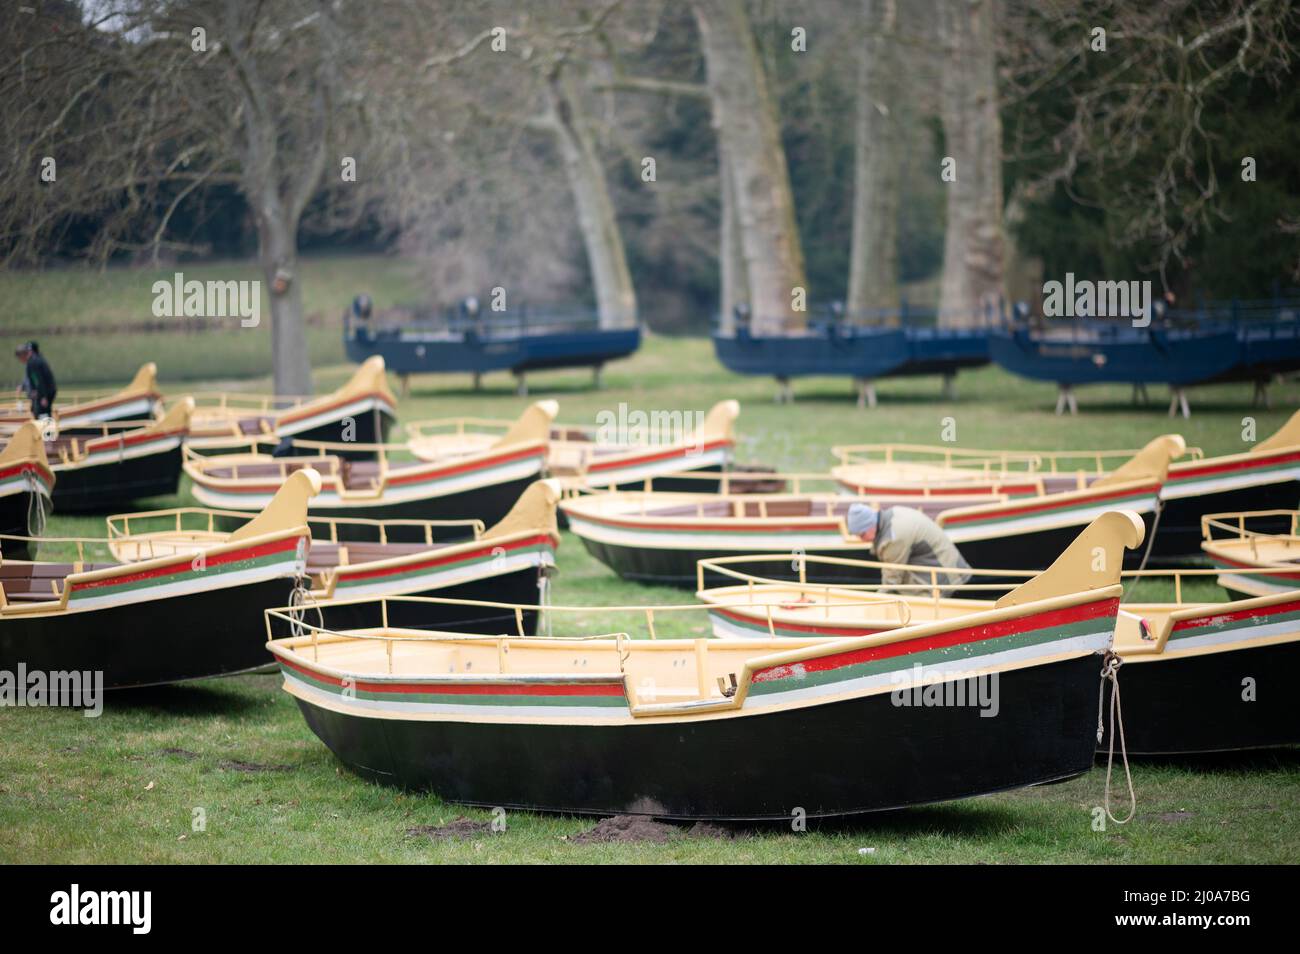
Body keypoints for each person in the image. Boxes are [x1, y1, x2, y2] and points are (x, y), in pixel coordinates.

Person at [847, 503, 972, 597]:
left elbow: (892, 579)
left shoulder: (893, 538)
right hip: (949, 565)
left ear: (871, 524)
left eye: (862, 534)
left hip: (946, 576)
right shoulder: (892, 514)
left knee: (902, 594)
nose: (861, 539)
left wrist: (876, 601)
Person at [15, 341, 56, 417]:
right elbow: (35, 379)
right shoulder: (35, 360)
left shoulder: (33, 363)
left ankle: (46, 428)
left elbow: (38, 380)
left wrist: (43, 396)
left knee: (42, 413)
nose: (20, 361)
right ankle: (45, 427)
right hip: (46, 391)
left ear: (23, 355)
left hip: (45, 392)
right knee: (37, 411)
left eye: (19, 358)